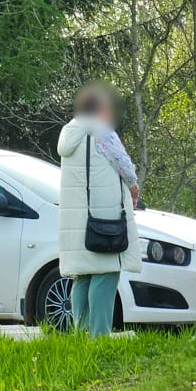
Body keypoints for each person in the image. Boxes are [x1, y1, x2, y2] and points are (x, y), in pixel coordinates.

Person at [57, 81, 142, 337]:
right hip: (104, 219)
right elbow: (123, 164)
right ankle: (99, 338)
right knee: (105, 274)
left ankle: (80, 336)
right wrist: (134, 186)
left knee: (83, 276)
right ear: (98, 109)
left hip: (78, 221)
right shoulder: (101, 132)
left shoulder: (69, 134)